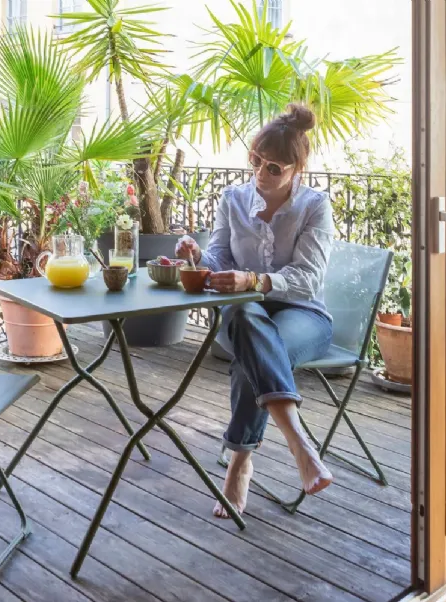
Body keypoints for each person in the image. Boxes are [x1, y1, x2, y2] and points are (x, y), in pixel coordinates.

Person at [175, 104, 335, 518]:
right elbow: (218, 255)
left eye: (274, 168)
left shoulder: (314, 207)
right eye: (255, 161)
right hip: (245, 314)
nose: (261, 173)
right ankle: (298, 441)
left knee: (255, 350)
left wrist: (255, 281)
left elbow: (309, 280)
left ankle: (241, 460)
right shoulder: (233, 199)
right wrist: (197, 255)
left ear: (298, 168)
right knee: (248, 320)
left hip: (303, 314)